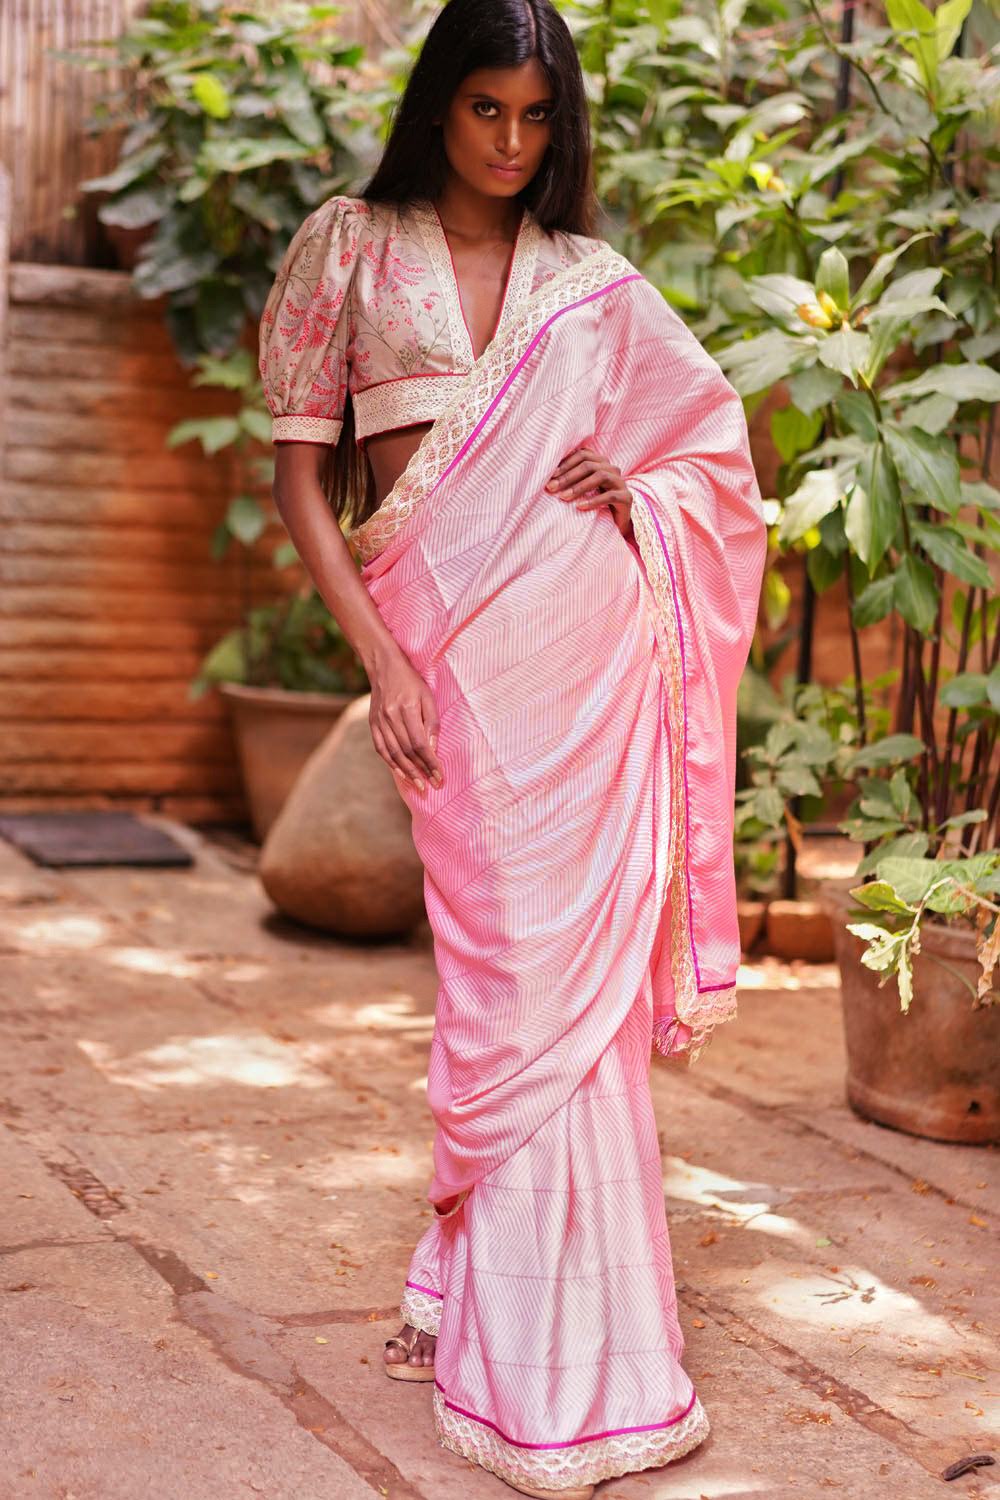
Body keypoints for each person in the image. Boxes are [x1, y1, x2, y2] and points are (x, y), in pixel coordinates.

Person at [258, 2, 767, 1494]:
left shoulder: (589, 282)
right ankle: (507, 1314)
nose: (511, 143)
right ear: (439, 107)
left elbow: (710, 449)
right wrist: (382, 659)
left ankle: (571, 1366)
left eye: (537, 118)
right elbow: (303, 477)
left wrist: (647, 495)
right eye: (485, 111)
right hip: (446, 657)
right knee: (505, 976)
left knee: (581, 1002)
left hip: (590, 648)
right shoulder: (346, 244)